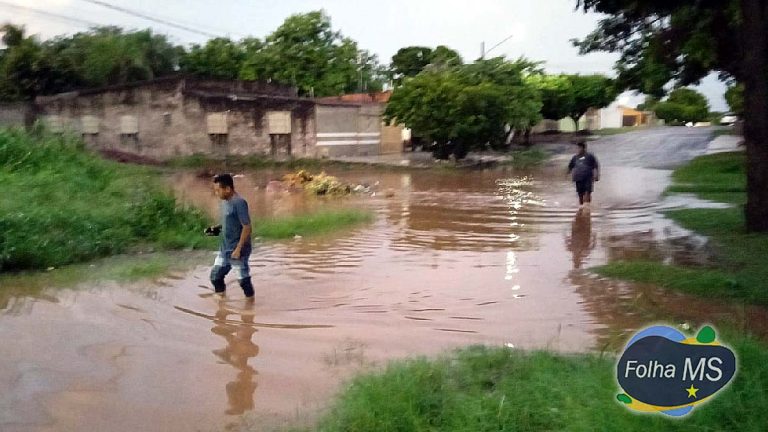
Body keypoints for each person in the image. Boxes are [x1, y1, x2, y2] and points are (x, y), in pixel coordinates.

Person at [206, 173, 254, 299]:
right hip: (225, 248)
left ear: (228, 189)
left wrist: (238, 249)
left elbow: (247, 227)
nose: (216, 193)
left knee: (243, 281)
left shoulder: (239, 203)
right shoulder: (224, 202)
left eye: (218, 190)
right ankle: (221, 300)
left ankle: (250, 304)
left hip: (238, 249)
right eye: (215, 190)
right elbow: (227, 223)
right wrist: (211, 231)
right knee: (215, 277)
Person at [567, 141, 600, 208]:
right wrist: (567, 174)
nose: (578, 149)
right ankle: (581, 207)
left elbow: (596, 166)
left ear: (584, 148)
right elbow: (570, 167)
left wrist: (597, 175)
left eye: (579, 148)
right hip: (578, 178)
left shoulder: (590, 156)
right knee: (580, 194)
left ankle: (587, 207)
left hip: (588, 178)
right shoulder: (574, 158)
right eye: (577, 148)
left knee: (588, 192)